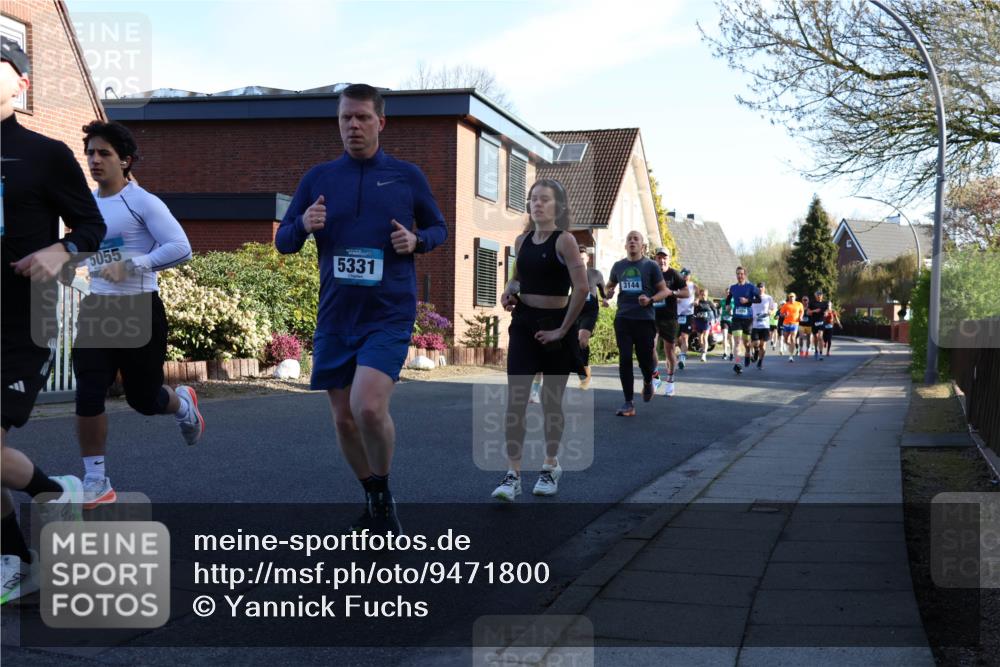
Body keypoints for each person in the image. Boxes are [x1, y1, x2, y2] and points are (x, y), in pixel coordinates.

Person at [275, 84, 447, 532]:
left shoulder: (406, 176)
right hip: (336, 315)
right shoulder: (319, 178)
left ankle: (383, 492)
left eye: (362, 117)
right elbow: (283, 241)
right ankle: (373, 497)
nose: (353, 125)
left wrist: (416, 240)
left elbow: (439, 227)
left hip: (388, 313)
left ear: (380, 122)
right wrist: (302, 223)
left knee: (367, 407)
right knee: (344, 419)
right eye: (346, 117)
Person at [1, 38, 106, 604]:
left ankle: (55, 493)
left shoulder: (45, 154)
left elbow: (92, 228)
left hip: (23, 318)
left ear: (21, 84)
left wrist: (59, 250)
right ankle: (16, 559)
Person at [73, 120, 202, 511]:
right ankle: (96, 479)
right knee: (88, 392)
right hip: (98, 307)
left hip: (138, 307)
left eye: (104, 153)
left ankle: (183, 404)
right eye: (90, 153)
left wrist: (133, 266)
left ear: (125, 160)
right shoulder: (85, 204)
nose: (95, 160)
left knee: (143, 399)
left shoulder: (143, 202)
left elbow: (181, 247)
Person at [492, 179, 587, 501]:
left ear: (558, 207)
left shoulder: (565, 241)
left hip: (557, 327)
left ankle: (549, 466)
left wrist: (562, 330)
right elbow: (517, 278)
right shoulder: (522, 240)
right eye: (533, 199)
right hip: (524, 325)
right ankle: (512, 475)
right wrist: (508, 292)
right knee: (516, 400)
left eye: (545, 199)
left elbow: (582, 288)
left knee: (550, 401)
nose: (537, 204)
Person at [605, 231, 669, 416]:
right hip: (623, 318)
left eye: (636, 239)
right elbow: (609, 286)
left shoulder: (651, 266)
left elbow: (664, 291)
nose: (632, 241)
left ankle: (648, 381)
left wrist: (650, 299)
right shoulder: (618, 266)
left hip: (644, 319)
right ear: (625, 245)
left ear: (642, 246)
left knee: (645, 360)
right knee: (624, 358)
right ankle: (628, 403)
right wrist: (609, 292)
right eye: (629, 239)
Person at [650, 247, 688, 397]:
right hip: (652, 316)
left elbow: (686, 292)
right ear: (655, 259)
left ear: (669, 259)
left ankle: (671, 380)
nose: (662, 261)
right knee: (649, 347)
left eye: (664, 258)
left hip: (669, 318)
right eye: (659, 258)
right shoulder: (650, 273)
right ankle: (655, 378)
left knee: (669, 351)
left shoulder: (674, 274)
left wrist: (672, 292)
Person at [574, 244, 606, 390]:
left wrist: (605, 299)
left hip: (590, 312)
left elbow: (604, 292)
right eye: (578, 259)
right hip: (574, 312)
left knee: (582, 340)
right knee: (574, 344)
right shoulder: (571, 273)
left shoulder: (595, 274)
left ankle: (585, 372)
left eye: (582, 259)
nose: (580, 262)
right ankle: (582, 370)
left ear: (587, 258)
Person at [727, 266, 761, 375]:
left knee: (746, 343)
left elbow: (759, 299)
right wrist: (727, 305)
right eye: (738, 274)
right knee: (737, 342)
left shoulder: (751, 287)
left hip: (747, 319)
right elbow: (728, 298)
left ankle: (749, 351)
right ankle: (737, 363)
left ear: (745, 275)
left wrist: (747, 300)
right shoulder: (733, 287)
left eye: (741, 274)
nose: (739, 276)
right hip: (736, 318)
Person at [749, 282, 776, 370]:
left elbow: (773, 309)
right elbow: (749, 308)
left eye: (761, 287)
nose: (760, 289)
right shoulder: (753, 298)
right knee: (756, 343)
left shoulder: (768, 298)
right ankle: (756, 351)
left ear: (764, 288)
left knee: (762, 345)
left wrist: (770, 312)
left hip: (765, 325)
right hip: (755, 325)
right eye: (758, 287)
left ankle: (760, 362)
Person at [674, 269, 695, 369]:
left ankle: (682, 359)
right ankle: (680, 352)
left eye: (686, 275)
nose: (685, 276)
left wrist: (697, 301)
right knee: (676, 338)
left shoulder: (693, 286)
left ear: (689, 276)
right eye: (683, 274)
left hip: (688, 314)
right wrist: (675, 299)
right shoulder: (676, 285)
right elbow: (670, 294)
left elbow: (701, 295)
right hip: (677, 314)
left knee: (684, 337)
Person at [692, 287, 717, 363]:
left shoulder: (709, 302)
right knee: (700, 339)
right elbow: (693, 310)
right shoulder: (697, 302)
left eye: (705, 295)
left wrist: (715, 319)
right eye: (702, 294)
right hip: (698, 321)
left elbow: (715, 310)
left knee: (705, 337)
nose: (703, 296)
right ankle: (703, 350)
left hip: (707, 321)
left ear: (707, 295)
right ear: (699, 295)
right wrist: (695, 303)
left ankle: (704, 355)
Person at [777, 292, 803, 362]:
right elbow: (781, 314)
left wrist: (800, 317)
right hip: (786, 324)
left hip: (795, 323)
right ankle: (792, 346)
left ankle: (791, 356)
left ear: (795, 297)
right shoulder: (786, 305)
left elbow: (801, 311)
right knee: (785, 340)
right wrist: (784, 315)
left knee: (792, 338)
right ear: (788, 297)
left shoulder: (799, 304)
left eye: (793, 296)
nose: (791, 298)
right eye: (790, 297)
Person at [809, 289, 830, 360]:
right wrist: (814, 311)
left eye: (820, 295)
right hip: (814, 322)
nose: (819, 296)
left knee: (820, 337)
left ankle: (821, 353)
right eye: (818, 295)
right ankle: (816, 350)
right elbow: (808, 312)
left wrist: (826, 312)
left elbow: (828, 310)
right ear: (815, 296)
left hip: (821, 321)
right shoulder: (812, 303)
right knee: (815, 337)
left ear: (822, 296)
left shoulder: (825, 303)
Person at [718, 288, 734, 360]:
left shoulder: (734, 301)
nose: (728, 293)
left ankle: (732, 353)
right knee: (724, 336)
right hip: (724, 320)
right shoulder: (722, 301)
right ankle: (725, 353)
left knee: (731, 337)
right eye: (726, 292)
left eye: (729, 292)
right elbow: (717, 308)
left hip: (732, 321)